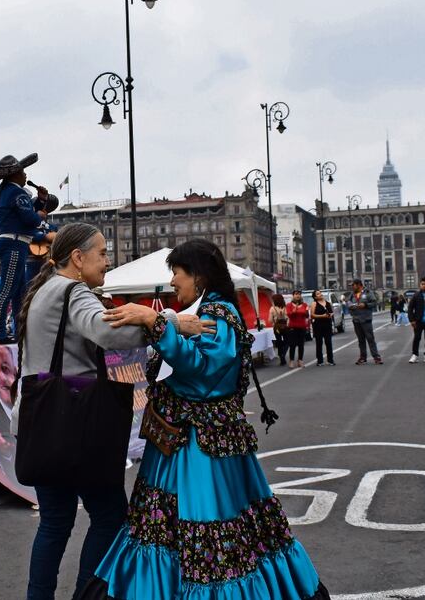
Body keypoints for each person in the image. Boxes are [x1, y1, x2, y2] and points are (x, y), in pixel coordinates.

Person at [84, 238, 329, 600]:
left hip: (203, 448)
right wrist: (164, 326)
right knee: (173, 529)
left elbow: (202, 375)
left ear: (198, 276)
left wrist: (155, 322)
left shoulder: (220, 316)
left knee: (208, 527)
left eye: (177, 273)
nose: (172, 282)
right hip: (182, 444)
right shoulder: (206, 313)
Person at [16, 224, 213, 599]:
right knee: (109, 516)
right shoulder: (74, 291)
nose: (108, 262)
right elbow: (106, 331)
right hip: (75, 424)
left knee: (55, 522)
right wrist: (169, 322)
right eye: (103, 253)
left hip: (42, 420)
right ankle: (85, 596)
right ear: (78, 258)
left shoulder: (44, 289)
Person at [0, 154, 47, 344]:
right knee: (7, 290)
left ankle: (17, 331)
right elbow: (29, 219)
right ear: (15, 174)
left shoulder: (8, 192)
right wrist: (40, 215)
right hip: (15, 244)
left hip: (15, 243)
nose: (25, 175)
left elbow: (23, 213)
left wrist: (40, 201)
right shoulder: (16, 192)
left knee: (19, 292)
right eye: (22, 171)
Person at [26, 193, 60, 284]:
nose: (44, 211)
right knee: (29, 286)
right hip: (31, 260)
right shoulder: (28, 225)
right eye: (41, 209)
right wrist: (45, 236)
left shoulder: (52, 227)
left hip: (48, 261)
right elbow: (28, 234)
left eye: (46, 210)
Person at [350, 279, 382, 365]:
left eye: (353, 285)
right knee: (361, 340)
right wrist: (350, 306)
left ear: (358, 285)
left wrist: (366, 305)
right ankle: (363, 357)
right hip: (356, 320)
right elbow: (348, 302)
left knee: (370, 338)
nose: (352, 287)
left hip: (366, 319)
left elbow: (375, 302)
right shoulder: (352, 294)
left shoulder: (368, 293)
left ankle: (376, 357)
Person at [408, 278, 425, 363]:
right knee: (417, 338)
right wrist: (412, 320)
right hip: (418, 320)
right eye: (422, 284)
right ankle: (415, 355)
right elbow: (410, 308)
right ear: (420, 285)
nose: (424, 285)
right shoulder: (416, 295)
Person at [311, 289, 335, 366]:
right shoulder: (314, 304)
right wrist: (322, 316)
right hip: (318, 325)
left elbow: (332, 312)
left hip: (327, 325)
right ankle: (320, 361)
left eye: (320, 293)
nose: (320, 294)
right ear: (315, 297)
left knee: (328, 343)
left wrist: (330, 315)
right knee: (319, 343)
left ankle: (330, 360)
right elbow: (312, 315)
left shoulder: (328, 303)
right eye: (318, 294)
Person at [285, 289, 309, 368]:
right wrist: (294, 311)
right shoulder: (289, 305)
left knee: (301, 345)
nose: (298, 295)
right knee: (292, 345)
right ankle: (291, 360)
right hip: (292, 327)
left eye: (299, 294)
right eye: (296, 294)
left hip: (302, 327)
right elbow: (289, 315)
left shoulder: (305, 305)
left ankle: (300, 360)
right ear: (293, 295)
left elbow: (306, 315)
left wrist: (306, 312)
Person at [268, 293, 288, 366]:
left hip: (277, 328)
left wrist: (275, 320)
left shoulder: (272, 308)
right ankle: (283, 353)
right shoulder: (286, 307)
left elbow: (270, 320)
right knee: (287, 341)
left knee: (279, 341)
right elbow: (288, 317)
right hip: (286, 326)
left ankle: (281, 355)